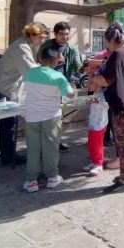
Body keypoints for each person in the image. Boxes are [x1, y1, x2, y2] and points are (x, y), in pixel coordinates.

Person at [90, 22, 124, 193]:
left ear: (111, 40)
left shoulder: (118, 54)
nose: (108, 47)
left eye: (107, 43)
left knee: (123, 143)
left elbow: (106, 80)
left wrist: (93, 76)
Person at [0, 22, 47, 165]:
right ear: (31, 35)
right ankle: (8, 157)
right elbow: (30, 71)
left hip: (9, 88)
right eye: (41, 37)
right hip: (3, 89)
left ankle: (8, 154)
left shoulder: (28, 45)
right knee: (8, 124)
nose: (42, 40)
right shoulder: (21, 47)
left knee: (9, 123)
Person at [20, 47, 76, 192]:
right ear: (55, 60)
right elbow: (70, 95)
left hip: (31, 115)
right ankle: (52, 177)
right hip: (51, 115)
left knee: (33, 148)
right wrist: (74, 88)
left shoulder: (29, 73)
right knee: (50, 146)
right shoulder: (57, 76)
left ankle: (31, 180)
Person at [38, 22, 82, 152]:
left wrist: (84, 68)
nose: (65, 37)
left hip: (61, 85)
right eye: (61, 34)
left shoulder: (72, 48)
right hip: (46, 85)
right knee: (45, 116)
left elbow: (77, 66)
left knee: (57, 116)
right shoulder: (46, 45)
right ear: (55, 34)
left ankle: (56, 141)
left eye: (67, 34)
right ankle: (44, 144)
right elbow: (39, 62)